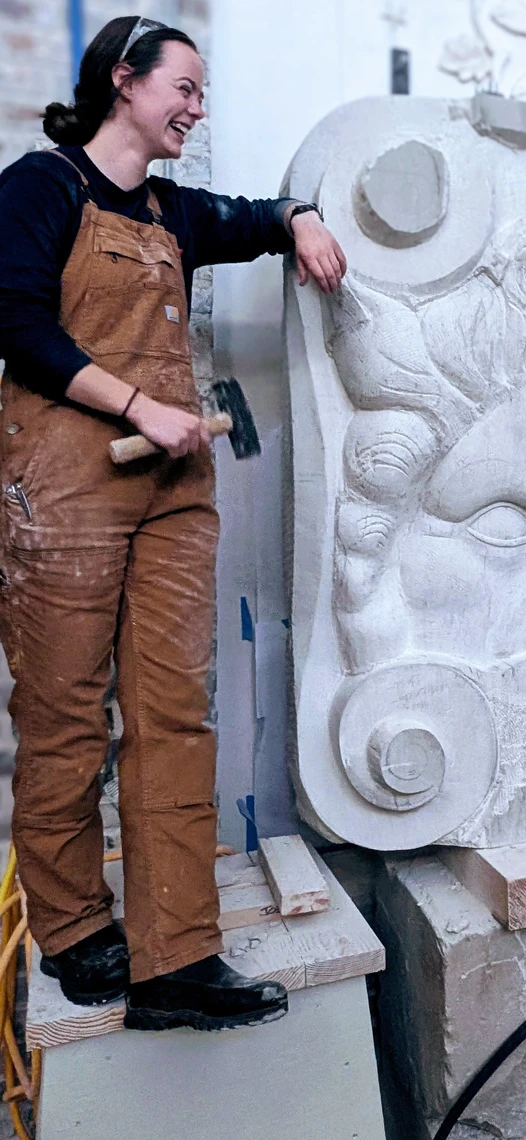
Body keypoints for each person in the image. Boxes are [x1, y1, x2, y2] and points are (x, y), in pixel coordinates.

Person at [0, 15, 346, 1032]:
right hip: (63, 485)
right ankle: (73, 932)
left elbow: (255, 216)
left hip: (173, 495)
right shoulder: (43, 185)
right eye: (184, 88)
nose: (197, 108)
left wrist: (302, 216)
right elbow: (14, 323)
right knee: (65, 717)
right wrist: (138, 404)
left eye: (202, 94)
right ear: (124, 82)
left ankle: (177, 954)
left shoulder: (175, 212)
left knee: (173, 717)